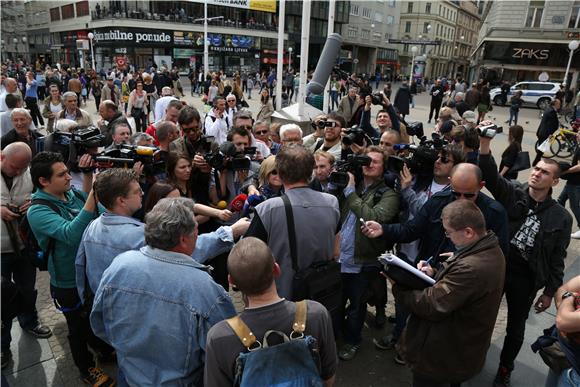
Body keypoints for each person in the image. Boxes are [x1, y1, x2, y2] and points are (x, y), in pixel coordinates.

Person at [90, 198, 237, 387]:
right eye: (196, 231)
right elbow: (226, 351)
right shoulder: (206, 289)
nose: (198, 235)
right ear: (183, 239)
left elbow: (99, 324)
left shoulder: (119, 265)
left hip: (129, 376)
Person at [478, 133, 573, 387]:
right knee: (482, 317)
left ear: (554, 181)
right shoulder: (513, 193)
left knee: (515, 328)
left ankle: (505, 369)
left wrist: (549, 291)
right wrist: (485, 144)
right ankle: (474, 357)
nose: (536, 173)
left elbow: (557, 258)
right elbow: (490, 176)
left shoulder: (561, 218)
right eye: (536, 168)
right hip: (497, 268)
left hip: (526, 277)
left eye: (544, 172)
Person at [392, 200, 505, 386]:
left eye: (449, 232)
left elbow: (431, 305)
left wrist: (398, 287)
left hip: (442, 357)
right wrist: (435, 273)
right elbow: (460, 289)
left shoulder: (472, 267)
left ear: (469, 232)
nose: (447, 237)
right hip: (455, 351)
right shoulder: (488, 248)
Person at [27, 152, 115, 386]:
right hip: (67, 281)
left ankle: (102, 349)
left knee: (95, 316)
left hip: (90, 272)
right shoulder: (37, 210)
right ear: (43, 181)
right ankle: (86, 369)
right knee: (77, 326)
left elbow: (100, 213)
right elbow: (70, 233)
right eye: (62, 174)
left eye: (67, 171)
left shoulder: (71, 194)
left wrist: (95, 192)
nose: (68, 177)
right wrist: (93, 195)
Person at [204, 237, 338, 386]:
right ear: (276, 269)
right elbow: (328, 378)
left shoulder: (219, 337)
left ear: (231, 281)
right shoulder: (315, 314)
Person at [361, 163, 509, 265]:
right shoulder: (438, 201)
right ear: (451, 183)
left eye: (469, 195)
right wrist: (383, 229)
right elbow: (412, 229)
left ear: (481, 186)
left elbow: (497, 257)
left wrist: (464, 259)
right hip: (428, 275)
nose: (462, 200)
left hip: (465, 283)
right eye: (456, 193)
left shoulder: (494, 212)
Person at [244, 145, 341, 299]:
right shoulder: (332, 203)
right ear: (311, 172)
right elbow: (336, 252)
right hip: (323, 292)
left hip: (281, 296)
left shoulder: (267, 209)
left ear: (281, 174)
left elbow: (248, 257)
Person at [337, 146, 400, 361]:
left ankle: (353, 341)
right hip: (339, 256)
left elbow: (372, 216)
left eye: (375, 161)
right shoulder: (349, 184)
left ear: (384, 168)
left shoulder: (389, 195)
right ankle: (337, 333)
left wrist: (350, 192)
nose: (369, 164)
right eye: (366, 160)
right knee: (337, 300)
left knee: (356, 305)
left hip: (363, 260)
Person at [1, 143, 52, 370]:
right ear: (1, 157)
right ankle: (2, 347)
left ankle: (29, 321)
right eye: (14, 167)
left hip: (22, 246)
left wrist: (33, 201)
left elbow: (42, 192)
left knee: (27, 289)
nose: (19, 172)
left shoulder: (27, 173)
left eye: (23, 168)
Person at [546, 275, 580, 387]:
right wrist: (567, 300)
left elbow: (563, 321)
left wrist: (568, 300)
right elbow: (562, 289)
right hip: (562, 356)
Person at [559, 132, 580, 239]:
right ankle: (558, 220)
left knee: (574, 206)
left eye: (579, 133)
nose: (577, 135)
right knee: (560, 200)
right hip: (572, 181)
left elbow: (579, 166)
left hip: (575, 182)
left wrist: (565, 172)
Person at [533, 99, 561, 166]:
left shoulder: (549, 109)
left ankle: (537, 161)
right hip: (546, 133)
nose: (560, 105)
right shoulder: (551, 111)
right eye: (559, 104)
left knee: (542, 148)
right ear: (555, 104)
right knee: (542, 149)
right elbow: (552, 123)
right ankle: (536, 162)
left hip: (543, 132)